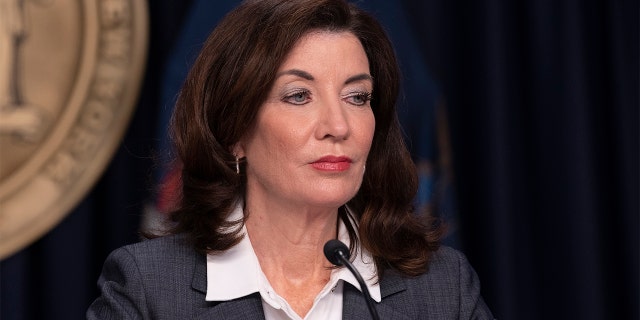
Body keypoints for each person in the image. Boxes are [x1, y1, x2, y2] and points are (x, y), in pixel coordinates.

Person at [87, 0, 495, 319]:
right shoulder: (147, 288)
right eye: (299, 95)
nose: (338, 126)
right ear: (235, 133)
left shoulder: (443, 287)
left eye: (358, 97)